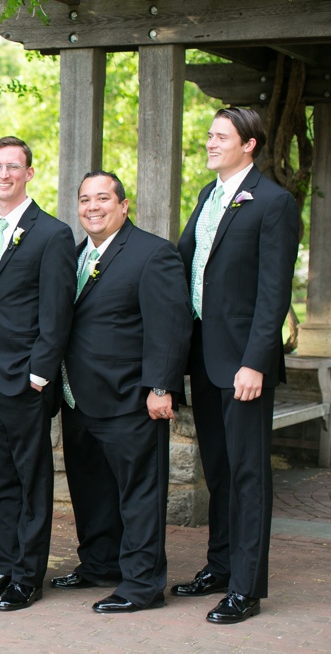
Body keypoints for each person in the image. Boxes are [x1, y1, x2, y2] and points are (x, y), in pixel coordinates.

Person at [173, 107, 298, 624]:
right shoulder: (208, 196)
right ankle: (220, 565)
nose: (210, 142)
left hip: (244, 365)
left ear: (249, 145)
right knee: (219, 469)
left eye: (220, 136)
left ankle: (246, 588)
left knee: (248, 475)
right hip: (203, 356)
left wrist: (256, 363)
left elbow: (273, 295)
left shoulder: (274, 203)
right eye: (209, 134)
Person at [51, 171, 191, 614]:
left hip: (132, 399)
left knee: (138, 495)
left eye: (103, 198)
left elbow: (170, 327)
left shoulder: (153, 253)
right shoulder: (73, 256)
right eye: (85, 199)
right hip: (78, 400)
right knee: (91, 490)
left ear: (123, 205)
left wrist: (161, 387)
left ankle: (142, 585)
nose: (92, 207)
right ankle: (98, 565)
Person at [0, 137, 75, 611]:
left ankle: (28, 575)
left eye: (13, 167)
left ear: (29, 172)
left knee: (31, 479)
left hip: (24, 378)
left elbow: (57, 310)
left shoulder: (53, 233)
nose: (3, 174)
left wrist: (41, 373)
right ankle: (3, 565)